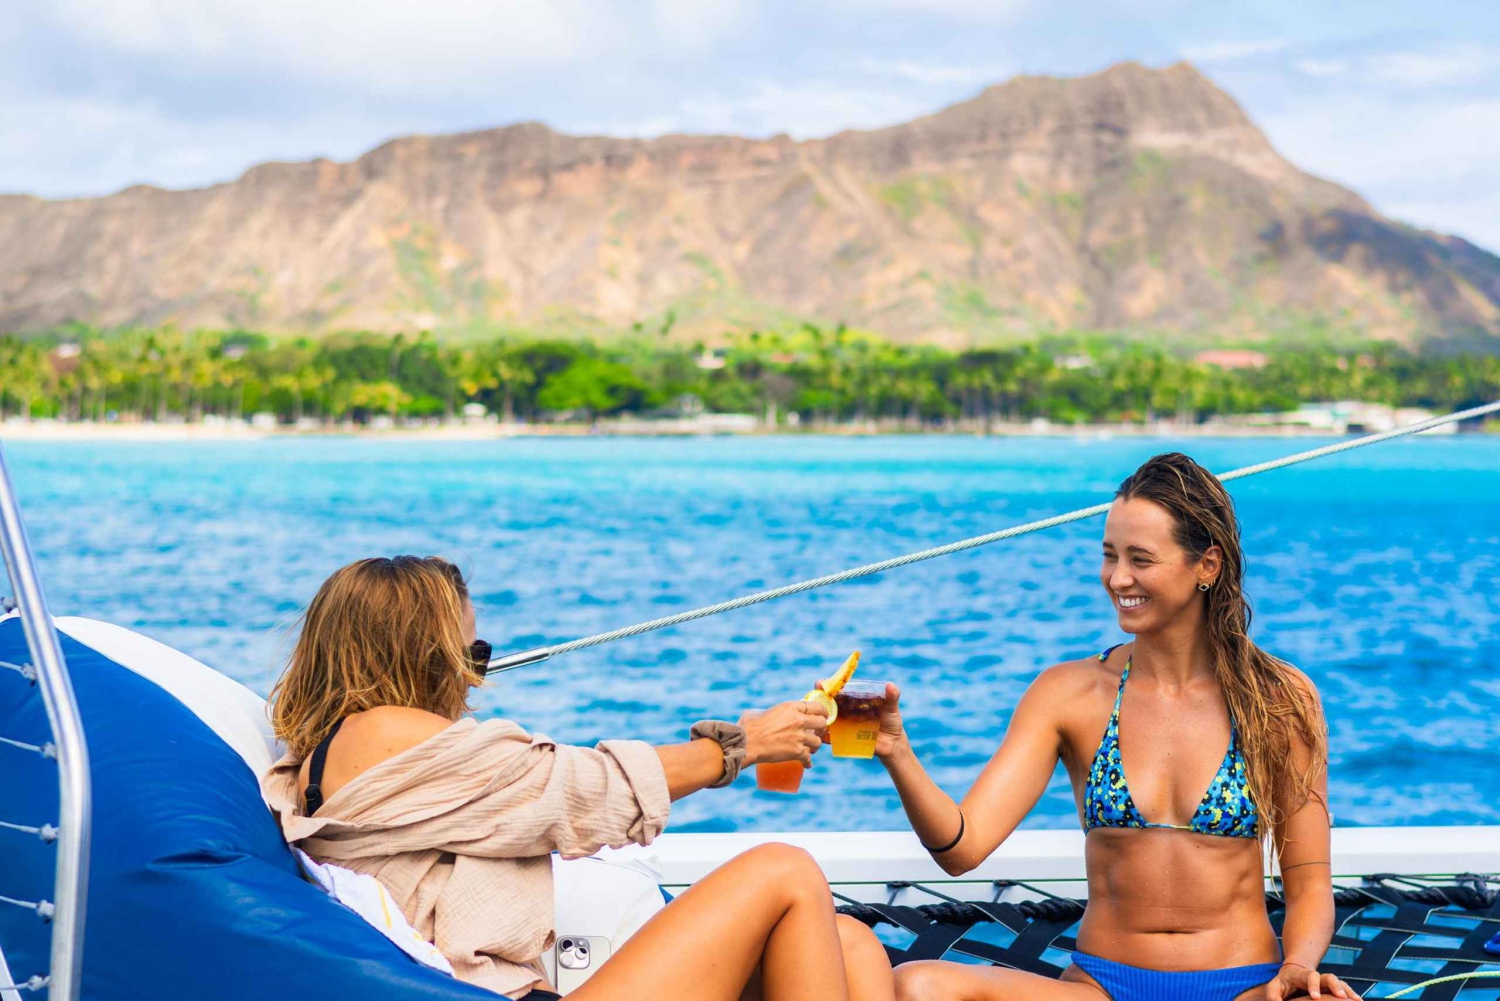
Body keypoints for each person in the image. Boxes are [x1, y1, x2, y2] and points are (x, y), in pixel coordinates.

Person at [261, 555, 894, 1001]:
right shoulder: (381, 732)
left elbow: (535, 792)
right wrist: (744, 745)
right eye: (472, 654)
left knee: (848, 945)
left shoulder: (351, 750)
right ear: (423, 656)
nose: (475, 676)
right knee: (783, 870)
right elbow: (579, 790)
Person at [871, 453, 1356, 1001]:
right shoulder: (1069, 694)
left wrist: (1297, 966)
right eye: (1109, 556)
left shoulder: (1278, 698)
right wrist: (898, 753)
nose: (1118, 578)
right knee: (919, 986)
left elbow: (1309, 883)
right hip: (1103, 987)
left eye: (1140, 559)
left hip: (1243, 986)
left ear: (1207, 565)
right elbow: (962, 849)